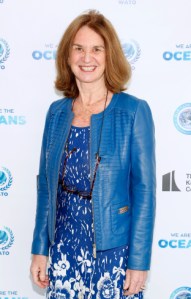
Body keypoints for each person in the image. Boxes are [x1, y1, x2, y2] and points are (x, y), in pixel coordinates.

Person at [30, 10, 156, 299]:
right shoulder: (57, 112)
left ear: (109, 55)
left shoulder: (133, 111)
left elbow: (144, 192)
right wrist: (40, 248)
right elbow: (46, 189)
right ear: (68, 55)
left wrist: (138, 262)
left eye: (96, 49)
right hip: (62, 250)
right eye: (79, 49)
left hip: (114, 253)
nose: (87, 58)